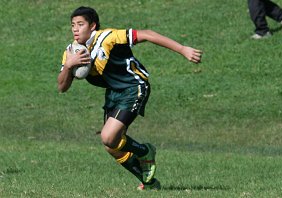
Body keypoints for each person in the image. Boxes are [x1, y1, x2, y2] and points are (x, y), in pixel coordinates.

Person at [57, 6, 202, 190]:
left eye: (80, 24)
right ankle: (149, 182)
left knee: (108, 137)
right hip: (114, 93)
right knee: (112, 146)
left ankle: (145, 151)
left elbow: (147, 34)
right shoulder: (71, 51)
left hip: (134, 87)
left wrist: (182, 49)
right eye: (72, 25)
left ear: (92, 26)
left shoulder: (108, 37)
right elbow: (62, 87)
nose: (75, 29)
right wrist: (69, 65)